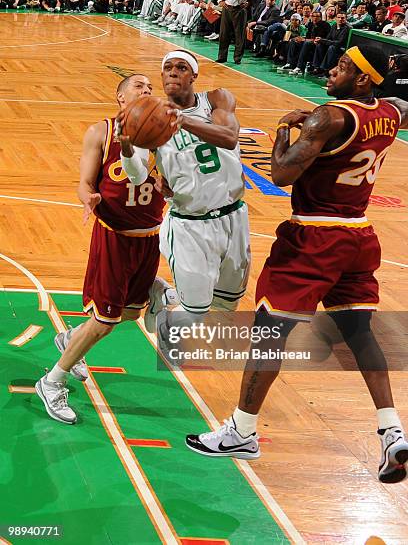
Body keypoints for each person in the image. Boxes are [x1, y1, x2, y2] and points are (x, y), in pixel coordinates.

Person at [186, 45, 408, 485]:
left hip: (314, 237)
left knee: (269, 333)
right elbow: (392, 107)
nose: (331, 68)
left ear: (363, 79)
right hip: (359, 235)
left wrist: (285, 131)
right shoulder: (389, 111)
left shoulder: (329, 117)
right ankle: (391, 430)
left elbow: (281, 175)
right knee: (359, 332)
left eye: (343, 66)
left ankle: (242, 432)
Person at [35, 75, 178, 424]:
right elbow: (84, 183)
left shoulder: (163, 137)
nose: (146, 90)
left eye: (148, 87)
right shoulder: (101, 131)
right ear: (120, 97)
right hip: (114, 236)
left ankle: (70, 338)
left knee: (130, 314)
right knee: (104, 320)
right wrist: (89, 198)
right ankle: (52, 381)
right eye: (137, 86)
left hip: (149, 237)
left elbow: (170, 187)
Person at [121, 50, 251, 331]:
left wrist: (182, 120)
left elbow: (229, 138)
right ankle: (164, 314)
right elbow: (137, 175)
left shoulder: (216, 99)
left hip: (234, 217)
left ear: (194, 75)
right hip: (190, 224)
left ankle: (165, 299)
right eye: (167, 68)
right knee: (195, 313)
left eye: (181, 67)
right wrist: (126, 147)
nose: (173, 72)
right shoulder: (152, 117)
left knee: (226, 305)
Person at [216, 0, 260, 64]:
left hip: (240, 10)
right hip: (227, 8)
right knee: (223, 34)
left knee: (239, 36)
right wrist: (220, 1)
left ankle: (237, 58)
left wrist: (249, 2)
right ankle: (222, 57)